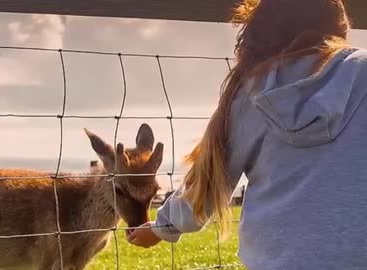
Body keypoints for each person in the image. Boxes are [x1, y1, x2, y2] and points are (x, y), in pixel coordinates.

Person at [127, 0, 367, 269]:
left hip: (275, 260)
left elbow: (209, 182)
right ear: (338, 26)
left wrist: (162, 228)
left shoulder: (251, 89)